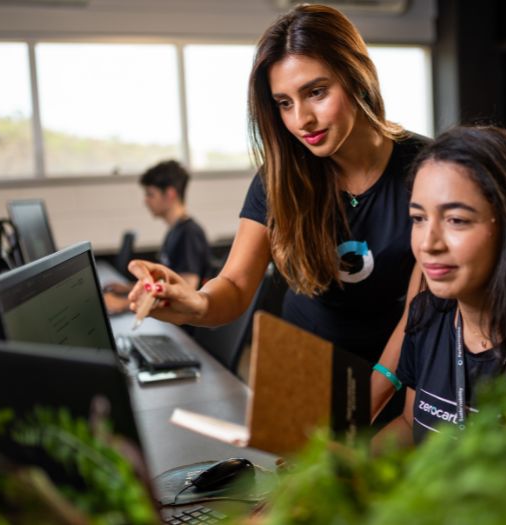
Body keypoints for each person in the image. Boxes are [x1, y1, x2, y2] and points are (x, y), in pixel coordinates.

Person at [126, 4, 428, 390]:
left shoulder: (428, 170)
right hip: (300, 366)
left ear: (358, 76)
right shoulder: (280, 177)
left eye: (316, 92)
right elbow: (234, 286)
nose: (301, 120)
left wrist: (370, 397)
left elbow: (420, 315)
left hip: (395, 370)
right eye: (284, 103)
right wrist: (196, 302)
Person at [373, 125, 506, 447]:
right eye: (418, 218)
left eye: (456, 220)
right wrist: (332, 477)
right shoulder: (426, 317)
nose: (428, 243)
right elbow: (410, 423)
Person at [103, 159, 211, 314]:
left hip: (183, 327)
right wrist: (129, 288)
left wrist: (124, 304)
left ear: (170, 194)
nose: (145, 201)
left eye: (150, 194)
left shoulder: (189, 234)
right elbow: (166, 281)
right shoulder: (175, 230)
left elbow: (186, 289)